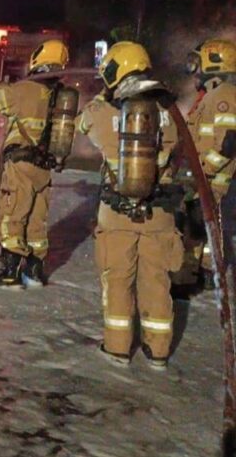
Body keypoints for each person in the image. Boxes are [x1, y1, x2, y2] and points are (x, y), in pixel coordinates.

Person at [77, 41, 183, 369]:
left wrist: (100, 97)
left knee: (118, 279)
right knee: (157, 282)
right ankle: (159, 351)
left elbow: (83, 124)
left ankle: (118, 348)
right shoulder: (169, 110)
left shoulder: (103, 112)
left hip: (117, 212)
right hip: (161, 213)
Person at [0, 40, 69, 288]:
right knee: (37, 220)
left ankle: (10, 273)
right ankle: (34, 272)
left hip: (21, 165)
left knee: (12, 214)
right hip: (43, 168)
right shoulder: (59, 95)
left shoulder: (26, 89)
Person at [182, 39, 236, 286]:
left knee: (209, 230)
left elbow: (228, 144)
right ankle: (199, 272)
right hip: (207, 180)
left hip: (215, 182)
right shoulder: (212, 96)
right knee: (199, 229)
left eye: (198, 64)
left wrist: (204, 172)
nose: (195, 72)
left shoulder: (224, 95)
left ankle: (204, 273)